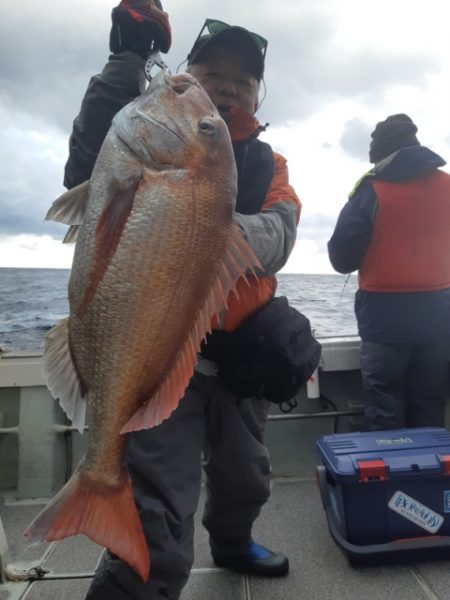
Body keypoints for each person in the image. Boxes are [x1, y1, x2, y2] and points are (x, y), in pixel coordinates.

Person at [64, 2, 302, 598]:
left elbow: (282, 228)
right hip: (164, 356)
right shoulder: (134, 129)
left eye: (242, 81)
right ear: (186, 71)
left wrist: (214, 231)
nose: (225, 88)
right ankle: (136, 577)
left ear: (257, 96)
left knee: (245, 479)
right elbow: (88, 152)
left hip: (243, 357)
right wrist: (127, 59)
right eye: (212, 72)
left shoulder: (268, 162)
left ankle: (233, 541)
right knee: (160, 507)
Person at [328, 113, 450, 432]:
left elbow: (341, 258)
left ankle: (390, 480)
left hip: (385, 322)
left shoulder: (371, 189)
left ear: (380, 154)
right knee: (430, 407)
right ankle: (430, 480)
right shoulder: (447, 186)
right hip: (440, 319)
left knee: (384, 410)